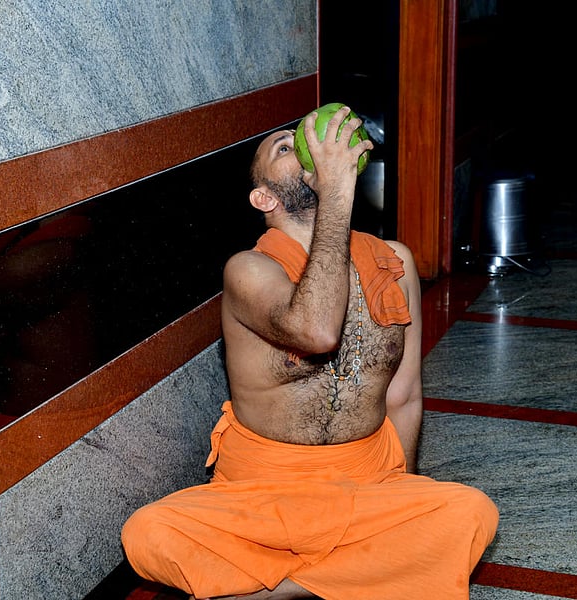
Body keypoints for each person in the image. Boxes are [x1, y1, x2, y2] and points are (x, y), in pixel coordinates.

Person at [121, 107, 498, 599]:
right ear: (265, 198)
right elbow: (316, 332)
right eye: (285, 148)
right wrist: (337, 190)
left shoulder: (396, 261)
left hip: (366, 478)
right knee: (149, 533)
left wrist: (396, 496)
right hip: (262, 493)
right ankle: (355, 579)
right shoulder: (248, 270)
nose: (305, 146)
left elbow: (403, 396)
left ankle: (278, 589)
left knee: (470, 513)